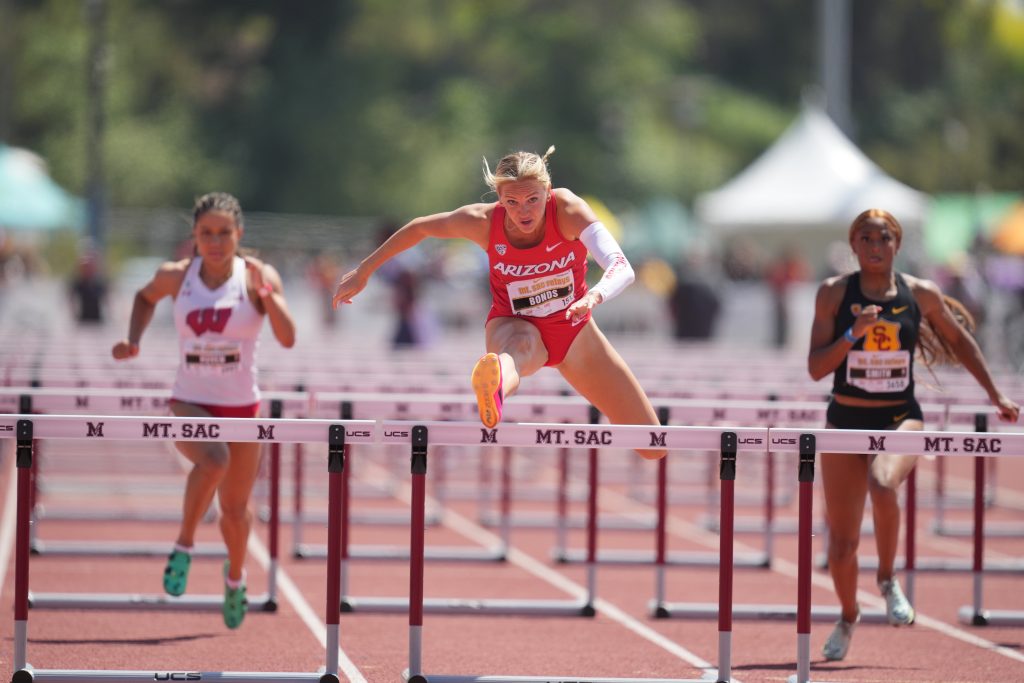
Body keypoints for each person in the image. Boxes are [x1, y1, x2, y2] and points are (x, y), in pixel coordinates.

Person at [332, 146, 666, 460]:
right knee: (519, 349)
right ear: (499, 198)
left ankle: (497, 385)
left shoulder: (567, 209)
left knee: (652, 445)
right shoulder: (482, 221)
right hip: (513, 323)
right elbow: (420, 228)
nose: (523, 211)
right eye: (513, 202)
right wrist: (364, 271)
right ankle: (494, 389)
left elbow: (621, 266)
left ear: (548, 192)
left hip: (576, 330)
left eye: (533, 200)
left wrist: (595, 294)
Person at [807, 208, 1019, 661]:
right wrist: (852, 334)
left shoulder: (919, 293)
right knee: (841, 547)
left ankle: (887, 579)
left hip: (900, 416)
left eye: (883, 238)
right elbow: (815, 368)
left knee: (883, 484)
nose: (875, 246)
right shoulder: (831, 295)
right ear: (854, 246)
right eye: (865, 239)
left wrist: (995, 393)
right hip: (845, 420)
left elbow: (959, 340)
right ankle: (848, 615)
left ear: (897, 244)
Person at [111, 192, 296, 628]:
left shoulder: (257, 276)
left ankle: (235, 577)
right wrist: (133, 338)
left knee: (235, 511)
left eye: (224, 233)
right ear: (194, 235)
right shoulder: (177, 276)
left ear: (239, 234)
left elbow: (288, 337)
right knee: (213, 460)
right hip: (189, 399)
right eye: (206, 233)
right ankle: (184, 544)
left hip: (242, 406)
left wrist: (267, 296)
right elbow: (143, 297)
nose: (215, 242)